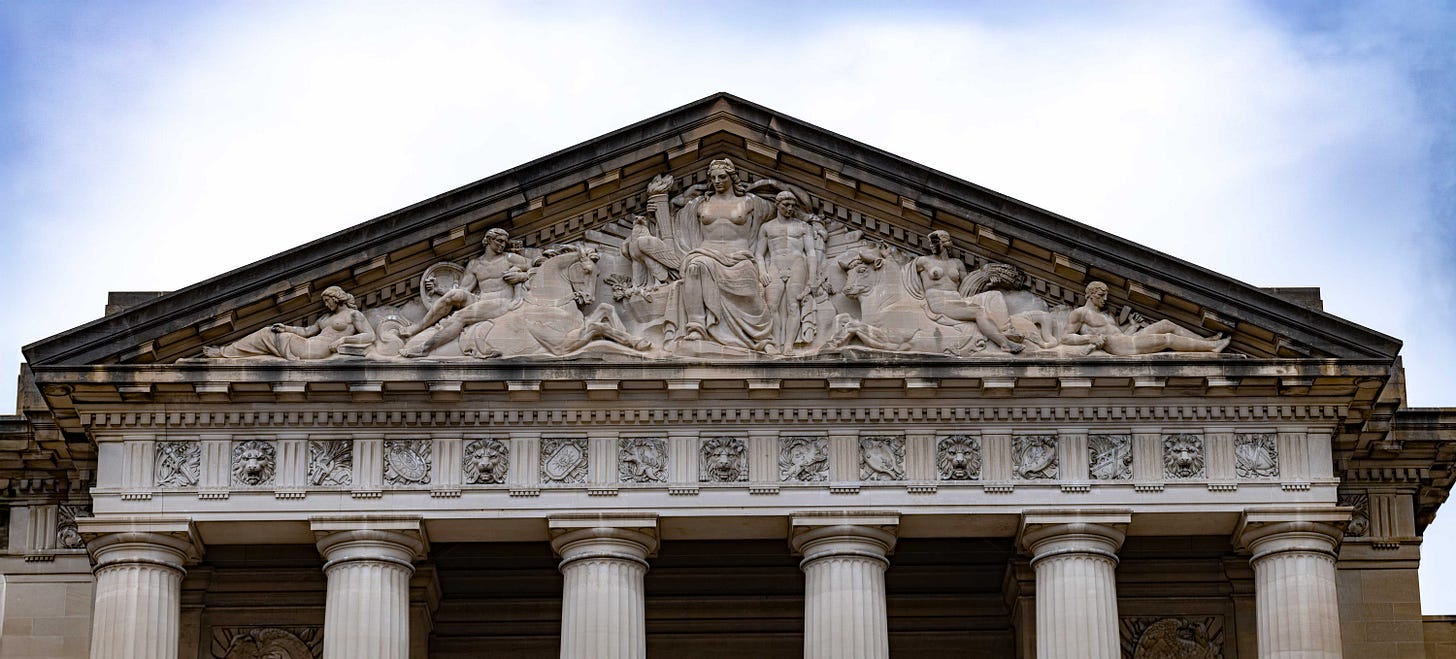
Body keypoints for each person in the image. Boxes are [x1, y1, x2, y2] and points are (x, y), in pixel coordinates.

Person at [671, 158, 775, 351]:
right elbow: (673, 212)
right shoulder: (700, 204)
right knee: (695, 266)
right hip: (706, 253)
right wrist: (681, 195)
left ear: (732, 177)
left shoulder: (750, 202)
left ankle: (762, 337)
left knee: (750, 288)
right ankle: (696, 327)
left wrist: (811, 219)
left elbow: (789, 207)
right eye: (713, 178)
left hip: (740, 257)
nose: (718, 181)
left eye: (722, 177)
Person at [399, 228, 530, 357]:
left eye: (504, 242)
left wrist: (522, 277)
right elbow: (464, 290)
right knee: (454, 295)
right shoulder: (475, 264)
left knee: (460, 316)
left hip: (502, 302)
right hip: (481, 301)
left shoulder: (509, 258)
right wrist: (439, 290)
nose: (502, 245)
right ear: (489, 240)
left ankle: (424, 348)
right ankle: (419, 326)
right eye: (499, 241)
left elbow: (539, 265)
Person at [909, 230, 1024, 353]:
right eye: (931, 242)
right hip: (939, 302)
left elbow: (968, 289)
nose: (931, 245)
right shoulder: (923, 261)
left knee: (994, 295)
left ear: (946, 243)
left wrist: (988, 285)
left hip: (958, 299)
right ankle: (1004, 344)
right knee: (978, 312)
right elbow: (904, 276)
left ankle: (1006, 331)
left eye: (935, 241)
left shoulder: (957, 263)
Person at [203, 286, 374, 359]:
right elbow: (307, 331)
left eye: (328, 300)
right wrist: (287, 327)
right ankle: (228, 352)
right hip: (308, 343)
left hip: (319, 350)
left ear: (336, 299)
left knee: (268, 335)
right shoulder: (324, 318)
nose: (326, 304)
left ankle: (224, 352)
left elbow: (369, 336)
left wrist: (343, 340)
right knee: (269, 332)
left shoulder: (353, 315)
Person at [1061, 281, 1230, 354]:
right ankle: (1212, 348)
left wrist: (1133, 326)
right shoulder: (1080, 313)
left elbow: (1119, 333)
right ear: (1090, 294)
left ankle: (1206, 341)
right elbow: (1065, 338)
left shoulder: (1107, 314)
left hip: (1126, 340)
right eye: (1101, 295)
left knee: (1165, 324)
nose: (1105, 299)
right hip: (1117, 347)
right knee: (1168, 339)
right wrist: (1090, 338)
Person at [755, 191, 819, 351]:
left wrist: (812, 278)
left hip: (797, 265)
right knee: (772, 306)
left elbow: (811, 253)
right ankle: (776, 342)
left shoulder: (803, 227)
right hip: (775, 266)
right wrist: (762, 271)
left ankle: (789, 344)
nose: (790, 208)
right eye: (786, 205)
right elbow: (758, 254)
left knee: (793, 306)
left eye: (793, 205)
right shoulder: (767, 227)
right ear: (777, 204)